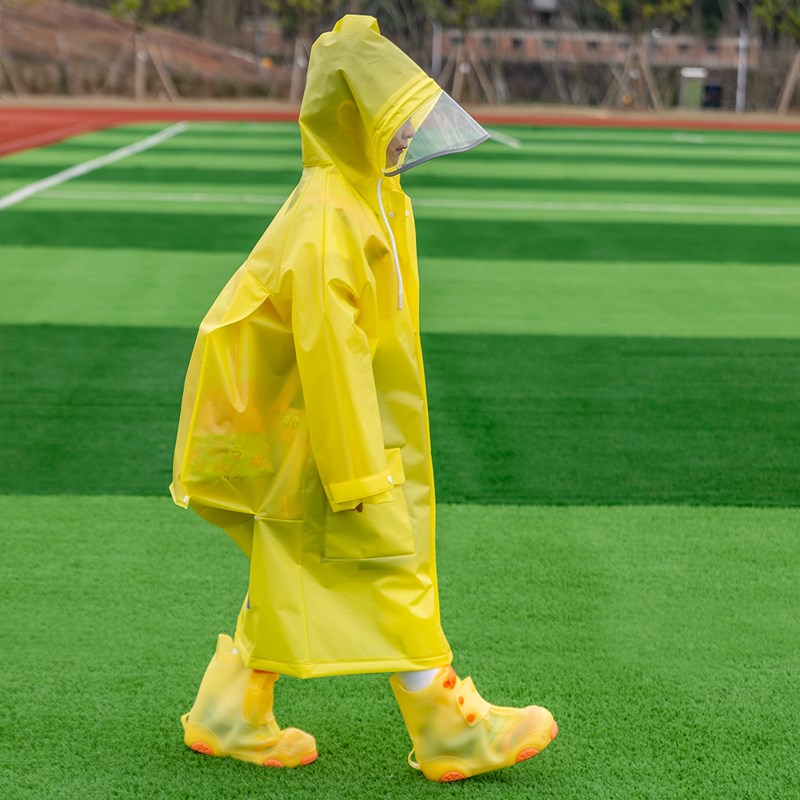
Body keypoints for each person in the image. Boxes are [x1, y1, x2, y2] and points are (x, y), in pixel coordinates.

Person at [170, 14, 557, 783]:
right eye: (393, 119)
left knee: (292, 567)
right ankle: (447, 727)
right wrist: (356, 474)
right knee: (391, 564)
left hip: (316, 430)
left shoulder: (364, 197)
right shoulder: (332, 216)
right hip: (327, 437)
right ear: (351, 117)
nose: (407, 135)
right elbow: (331, 353)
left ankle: (229, 709)